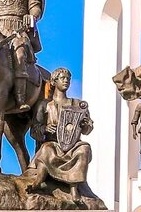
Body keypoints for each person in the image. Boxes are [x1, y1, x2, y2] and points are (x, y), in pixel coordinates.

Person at [25, 67, 93, 200]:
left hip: (73, 146)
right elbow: (34, 130)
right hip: (53, 144)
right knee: (46, 150)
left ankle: (74, 189)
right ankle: (39, 180)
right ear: (54, 81)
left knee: (84, 149)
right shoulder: (45, 105)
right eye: (62, 78)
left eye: (68, 79)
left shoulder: (78, 104)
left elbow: (88, 129)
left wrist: (86, 125)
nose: (66, 81)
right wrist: (45, 129)